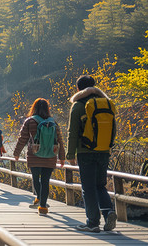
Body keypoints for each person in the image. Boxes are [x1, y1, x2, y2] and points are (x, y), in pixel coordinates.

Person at [67, 75, 117, 233]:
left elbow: (72, 132)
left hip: (85, 151)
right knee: (100, 185)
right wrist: (107, 147)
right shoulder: (107, 104)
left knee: (88, 188)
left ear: (78, 89)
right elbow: (113, 129)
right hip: (103, 151)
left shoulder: (78, 105)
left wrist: (70, 154)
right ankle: (109, 212)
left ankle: (92, 223)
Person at [13, 98, 65, 215]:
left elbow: (22, 138)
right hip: (51, 156)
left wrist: (16, 153)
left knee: (36, 178)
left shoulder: (30, 121)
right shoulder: (53, 123)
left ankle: (39, 198)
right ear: (47, 108)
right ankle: (42, 206)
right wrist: (62, 157)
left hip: (34, 155)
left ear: (34, 108)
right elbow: (60, 141)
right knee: (45, 181)